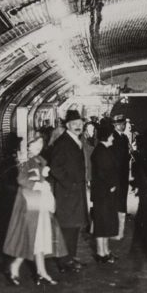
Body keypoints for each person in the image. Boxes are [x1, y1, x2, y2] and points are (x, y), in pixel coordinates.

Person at [2, 132, 66, 285]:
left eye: (41, 145)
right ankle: (15, 268)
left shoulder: (39, 160)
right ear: (28, 145)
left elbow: (37, 176)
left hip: (40, 204)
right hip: (28, 205)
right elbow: (21, 179)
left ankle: (41, 272)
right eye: (35, 144)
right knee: (29, 238)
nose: (39, 147)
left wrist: (43, 179)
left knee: (40, 238)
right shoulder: (24, 159)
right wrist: (39, 184)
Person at [48, 109, 88, 273]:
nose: (78, 126)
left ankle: (71, 256)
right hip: (67, 194)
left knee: (74, 227)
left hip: (75, 193)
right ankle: (64, 261)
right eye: (74, 124)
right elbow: (55, 168)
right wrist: (70, 184)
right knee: (67, 228)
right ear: (68, 126)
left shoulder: (75, 141)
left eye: (80, 123)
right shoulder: (63, 143)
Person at [89, 123, 120, 263]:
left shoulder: (102, 150)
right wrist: (111, 185)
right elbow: (103, 172)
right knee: (102, 223)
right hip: (103, 194)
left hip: (104, 194)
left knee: (105, 223)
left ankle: (106, 251)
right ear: (107, 136)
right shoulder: (101, 151)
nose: (113, 137)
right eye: (112, 135)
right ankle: (101, 253)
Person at [111, 114, 132, 242]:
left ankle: (120, 230)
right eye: (120, 124)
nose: (123, 126)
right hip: (115, 176)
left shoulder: (124, 138)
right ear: (115, 125)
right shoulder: (112, 138)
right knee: (116, 202)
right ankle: (116, 230)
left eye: (123, 123)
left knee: (122, 200)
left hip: (123, 175)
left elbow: (125, 156)